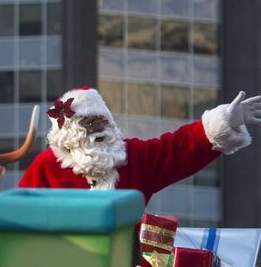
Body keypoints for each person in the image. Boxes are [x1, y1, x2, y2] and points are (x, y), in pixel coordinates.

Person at [19, 86, 261, 204]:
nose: (97, 129)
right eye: (87, 123)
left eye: (101, 121)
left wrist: (222, 122)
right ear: (69, 131)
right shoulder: (46, 166)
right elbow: (18, 216)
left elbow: (176, 149)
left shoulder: (133, 157)